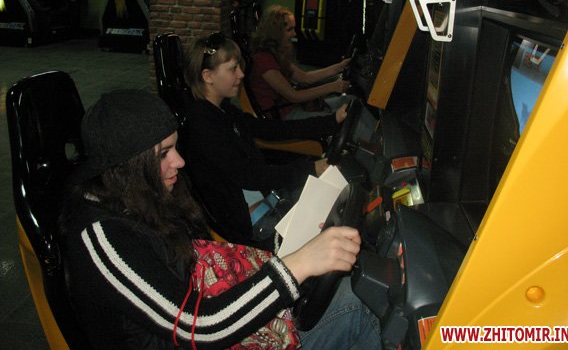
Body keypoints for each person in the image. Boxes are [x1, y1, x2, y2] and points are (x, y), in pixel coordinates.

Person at [60, 89, 381, 349]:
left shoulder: (138, 197)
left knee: (349, 293)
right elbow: (197, 327)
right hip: (200, 334)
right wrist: (299, 264)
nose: (180, 161)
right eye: (163, 154)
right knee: (356, 306)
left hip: (208, 324)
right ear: (130, 165)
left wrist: (293, 246)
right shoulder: (100, 237)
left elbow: (201, 266)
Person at [182, 32, 348, 248]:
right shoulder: (202, 124)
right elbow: (250, 176)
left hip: (267, 200)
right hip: (252, 224)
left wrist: (332, 121)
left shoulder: (224, 111)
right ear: (208, 76)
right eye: (233, 69)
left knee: (335, 201)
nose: (241, 74)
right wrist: (311, 168)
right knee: (332, 221)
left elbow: (271, 129)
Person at [248, 4, 352, 120]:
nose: (294, 34)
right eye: (289, 30)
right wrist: (332, 87)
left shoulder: (275, 53)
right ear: (275, 33)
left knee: (350, 101)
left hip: (290, 107)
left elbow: (304, 77)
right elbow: (294, 96)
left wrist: (338, 67)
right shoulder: (263, 59)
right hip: (281, 116)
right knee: (347, 116)